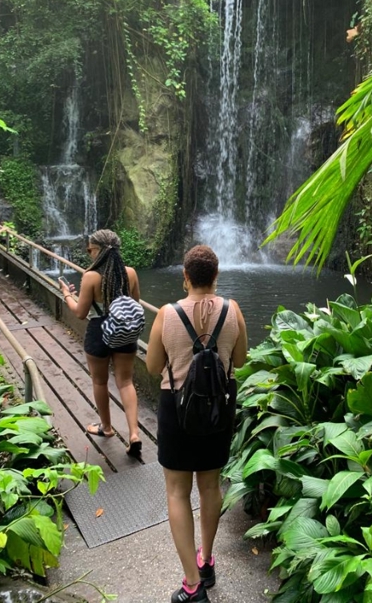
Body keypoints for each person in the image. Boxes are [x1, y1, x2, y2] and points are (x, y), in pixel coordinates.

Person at [144, 245, 248, 603]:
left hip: (177, 408)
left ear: (185, 277)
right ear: (216, 277)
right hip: (220, 408)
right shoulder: (232, 310)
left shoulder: (166, 314)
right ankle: (206, 560)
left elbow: (153, 367)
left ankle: (192, 585)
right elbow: (241, 359)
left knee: (176, 491)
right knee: (210, 485)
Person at [57, 229, 143, 456]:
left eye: (90, 250)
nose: (89, 254)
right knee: (126, 381)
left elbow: (80, 313)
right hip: (125, 331)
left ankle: (106, 428)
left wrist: (67, 294)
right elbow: (134, 304)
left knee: (100, 381)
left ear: (99, 251)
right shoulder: (130, 273)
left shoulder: (91, 276)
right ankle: (134, 434)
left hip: (98, 332)